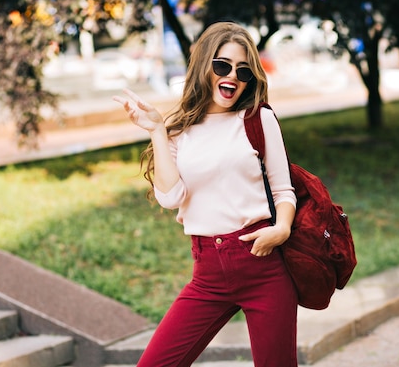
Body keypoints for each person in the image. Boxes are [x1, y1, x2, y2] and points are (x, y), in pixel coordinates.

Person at [113, 21, 298, 367]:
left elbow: (283, 188)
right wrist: (157, 130)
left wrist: (282, 229)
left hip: (263, 263)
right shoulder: (180, 130)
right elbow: (171, 197)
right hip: (209, 273)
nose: (232, 76)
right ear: (204, 67)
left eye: (243, 70)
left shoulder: (257, 119)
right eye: (222, 66)